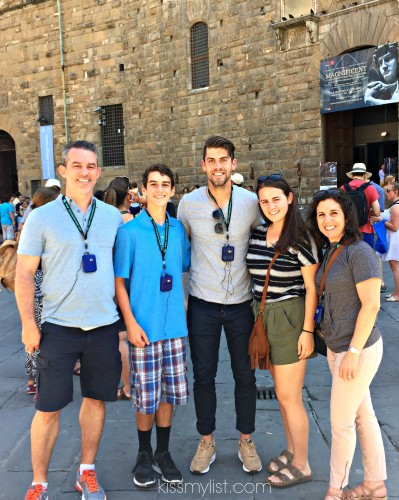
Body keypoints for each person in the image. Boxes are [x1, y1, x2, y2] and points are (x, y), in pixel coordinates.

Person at [16, 140, 123, 500]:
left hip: (103, 325)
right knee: (48, 408)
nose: (84, 172)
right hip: (58, 328)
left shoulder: (111, 217)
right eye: (76, 165)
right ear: (63, 171)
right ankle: (39, 482)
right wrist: (29, 325)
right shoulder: (42, 217)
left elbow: (123, 271)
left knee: (95, 401)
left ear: (98, 171)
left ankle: (87, 472)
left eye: (91, 165)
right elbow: (24, 274)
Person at [177, 135, 262, 475]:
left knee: (246, 375)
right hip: (203, 304)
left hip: (242, 304)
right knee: (204, 377)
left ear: (233, 164)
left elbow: (265, 239)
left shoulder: (251, 202)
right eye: (211, 160)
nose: (217, 166)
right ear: (203, 165)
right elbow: (178, 249)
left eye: (223, 160)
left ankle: (246, 440)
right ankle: (206, 440)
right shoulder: (188, 204)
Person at [114, 164, 190, 487]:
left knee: (168, 394)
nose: (160, 189)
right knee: (145, 395)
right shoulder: (129, 232)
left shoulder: (179, 230)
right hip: (142, 326)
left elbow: (182, 267)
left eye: (166, 184)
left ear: (173, 190)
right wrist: (129, 323)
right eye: (153, 184)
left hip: (174, 326)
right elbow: (119, 282)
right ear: (143, 190)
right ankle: (143, 453)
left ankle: (163, 451)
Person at [307, 189, 387, 500]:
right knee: (362, 416)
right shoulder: (331, 250)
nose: (327, 220)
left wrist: (353, 353)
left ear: (346, 217)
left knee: (340, 423)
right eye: (321, 214)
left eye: (333, 214)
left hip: (359, 349)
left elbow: (371, 306)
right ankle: (375, 484)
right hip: (337, 347)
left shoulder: (359, 252)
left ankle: (335, 490)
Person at [246, 174, 318, 489]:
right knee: (281, 395)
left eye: (276, 198)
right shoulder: (259, 232)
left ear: (289, 198)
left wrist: (307, 331)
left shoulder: (302, 237)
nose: (270, 205)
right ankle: (291, 450)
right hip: (262, 316)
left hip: (290, 318)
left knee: (291, 397)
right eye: (264, 200)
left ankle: (302, 464)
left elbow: (312, 289)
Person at [21, 188, 59, 400]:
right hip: (43, 290)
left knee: (31, 338)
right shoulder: (45, 225)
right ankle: (41, 383)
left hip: (31, 290)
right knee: (44, 339)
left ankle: (31, 380)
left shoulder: (28, 223)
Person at [103, 177, 135, 400]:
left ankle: (120, 382)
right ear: (128, 196)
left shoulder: (103, 218)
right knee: (124, 336)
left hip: (105, 279)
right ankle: (128, 385)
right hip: (127, 279)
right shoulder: (130, 219)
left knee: (115, 335)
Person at [340, 163, 380, 248]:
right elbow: (377, 212)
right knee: (367, 258)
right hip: (366, 230)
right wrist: (367, 213)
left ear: (352, 175)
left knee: (348, 258)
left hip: (347, 229)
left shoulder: (343, 188)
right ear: (365, 175)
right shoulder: (371, 188)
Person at [372, 181, 399, 302]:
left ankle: (397, 294)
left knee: (395, 267)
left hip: (395, 239)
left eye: (388, 190)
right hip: (393, 238)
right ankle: (396, 292)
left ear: (396, 192)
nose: (386, 192)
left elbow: (394, 227)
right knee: (394, 266)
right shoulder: (394, 205)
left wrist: (380, 220)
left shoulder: (395, 207)